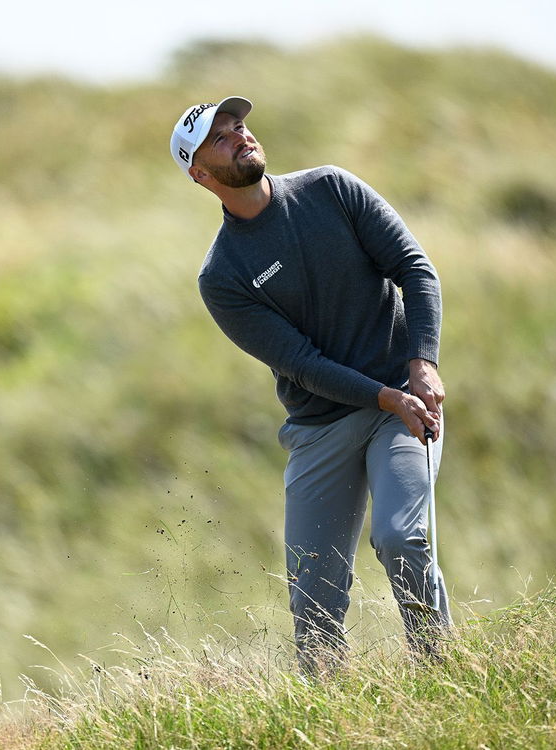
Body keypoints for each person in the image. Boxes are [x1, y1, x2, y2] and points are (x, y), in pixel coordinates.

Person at [169, 95, 450, 672]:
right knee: (314, 606)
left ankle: (441, 672)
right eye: (220, 138)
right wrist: (383, 395)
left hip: (402, 400)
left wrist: (422, 362)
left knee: (401, 538)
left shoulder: (332, 189)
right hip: (322, 425)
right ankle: (329, 717)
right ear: (199, 174)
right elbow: (301, 362)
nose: (240, 137)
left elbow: (414, 270)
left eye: (239, 126)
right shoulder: (222, 275)